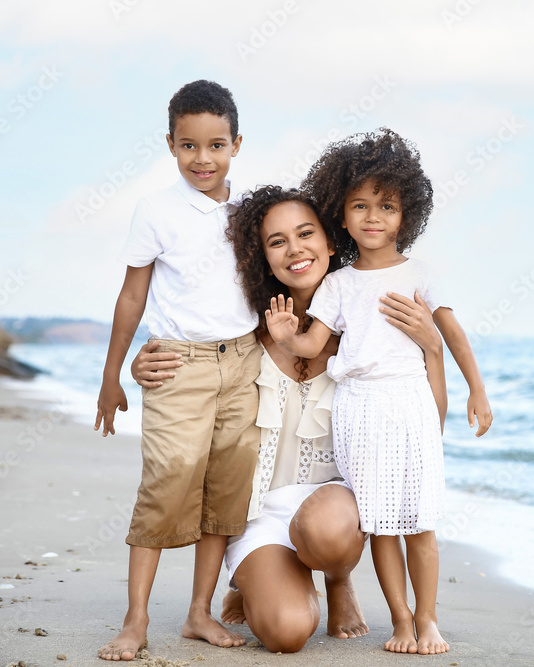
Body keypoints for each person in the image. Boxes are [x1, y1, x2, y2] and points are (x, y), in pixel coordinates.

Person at [129, 185, 447, 653]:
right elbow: (193, 368)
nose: (295, 249)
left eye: (306, 233)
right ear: (264, 256)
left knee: (328, 531)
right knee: (285, 633)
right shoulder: (243, 329)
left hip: (336, 505)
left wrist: (434, 348)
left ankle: (338, 580)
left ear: (330, 240)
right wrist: (141, 367)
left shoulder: (368, 330)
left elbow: (426, 421)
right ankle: (254, 583)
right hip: (257, 513)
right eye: (278, 241)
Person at [267, 128, 493, 655]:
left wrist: (476, 391)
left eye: (387, 206)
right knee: (382, 523)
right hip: (360, 409)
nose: (373, 216)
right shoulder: (338, 283)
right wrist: (287, 335)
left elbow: (451, 337)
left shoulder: (422, 274)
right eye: (360, 205)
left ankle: (429, 619)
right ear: (340, 217)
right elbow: (313, 341)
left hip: (411, 403)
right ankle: (401, 621)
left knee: (420, 521)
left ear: (405, 214)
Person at [94, 80, 258, 661]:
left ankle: (198, 613)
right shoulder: (157, 210)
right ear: (171, 145)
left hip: (244, 362)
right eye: (189, 146)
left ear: (237, 143)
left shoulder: (251, 210)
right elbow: (131, 297)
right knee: (166, 484)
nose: (203, 159)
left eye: (216, 145)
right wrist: (113, 374)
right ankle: (135, 619)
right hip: (175, 365)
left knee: (225, 491)